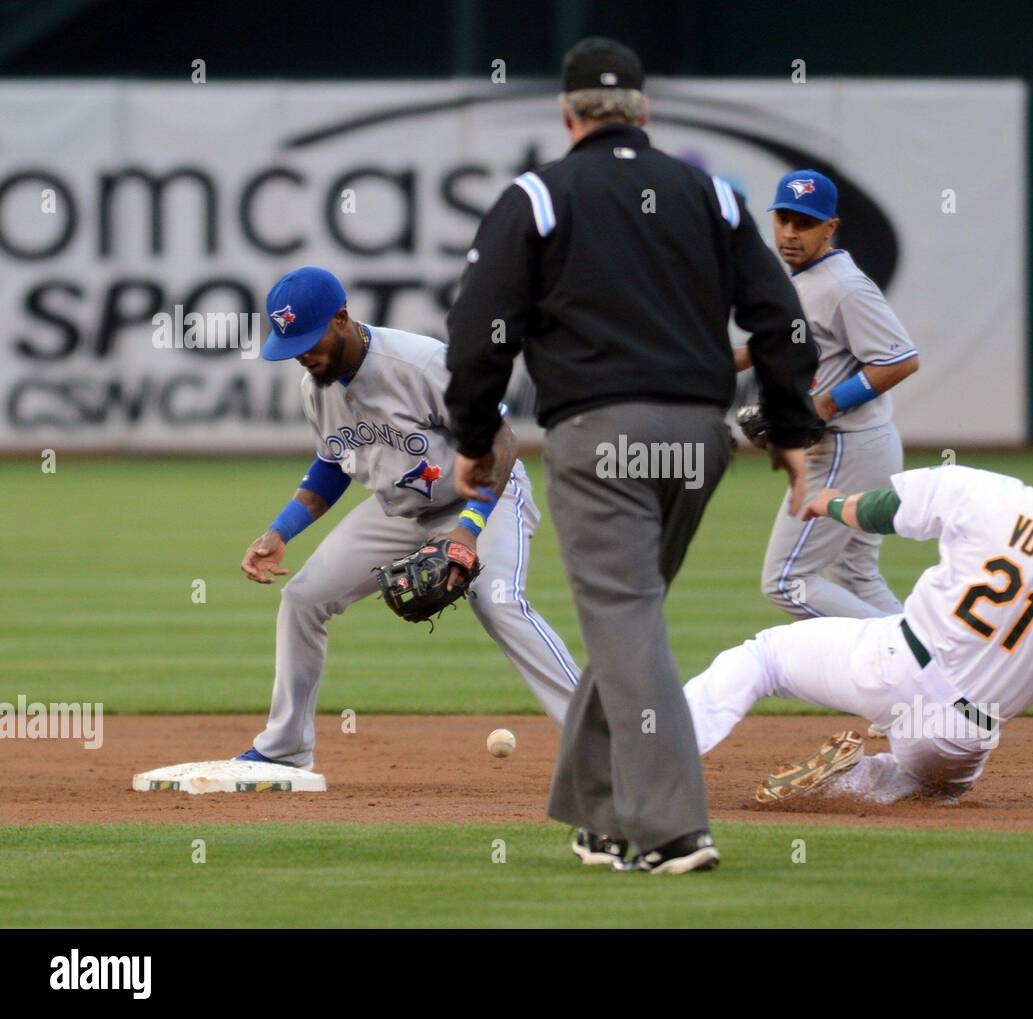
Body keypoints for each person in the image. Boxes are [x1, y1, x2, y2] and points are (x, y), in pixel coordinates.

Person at [444, 38, 821, 873]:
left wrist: (473, 438)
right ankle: (600, 813)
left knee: (625, 621)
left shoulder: (539, 196)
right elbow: (779, 317)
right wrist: (791, 429)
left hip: (599, 435)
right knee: (632, 619)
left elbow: (478, 333)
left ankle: (671, 828)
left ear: (569, 114)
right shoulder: (712, 195)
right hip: (699, 435)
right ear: (643, 112)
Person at [684, 408, 1033, 811]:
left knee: (761, 658)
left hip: (893, 667)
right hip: (960, 742)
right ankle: (852, 785)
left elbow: (879, 510)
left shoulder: (988, 492)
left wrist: (824, 501)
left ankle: (654, 752)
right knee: (925, 785)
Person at [235, 266, 579, 769]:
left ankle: (602, 742)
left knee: (497, 600)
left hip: (483, 497)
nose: (304, 356)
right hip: (398, 508)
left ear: (341, 319)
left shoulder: (419, 365)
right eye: (292, 347)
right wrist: (280, 530)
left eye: (310, 341)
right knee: (303, 599)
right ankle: (284, 748)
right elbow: (334, 462)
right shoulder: (318, 387)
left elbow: (500, 440)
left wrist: (470, 529)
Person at [737, 170, 919, 622]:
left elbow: (899, 360)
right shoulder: (803, 280)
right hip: (860, 446)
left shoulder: (844, 285)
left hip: (846, 447)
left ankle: (897, 661)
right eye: (784, 220)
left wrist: (825, 404)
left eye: (805, 223)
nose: (791, 233)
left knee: (786, 582)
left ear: (830, 227)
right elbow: (773, 346)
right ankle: (928, 667)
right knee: (855, 578)